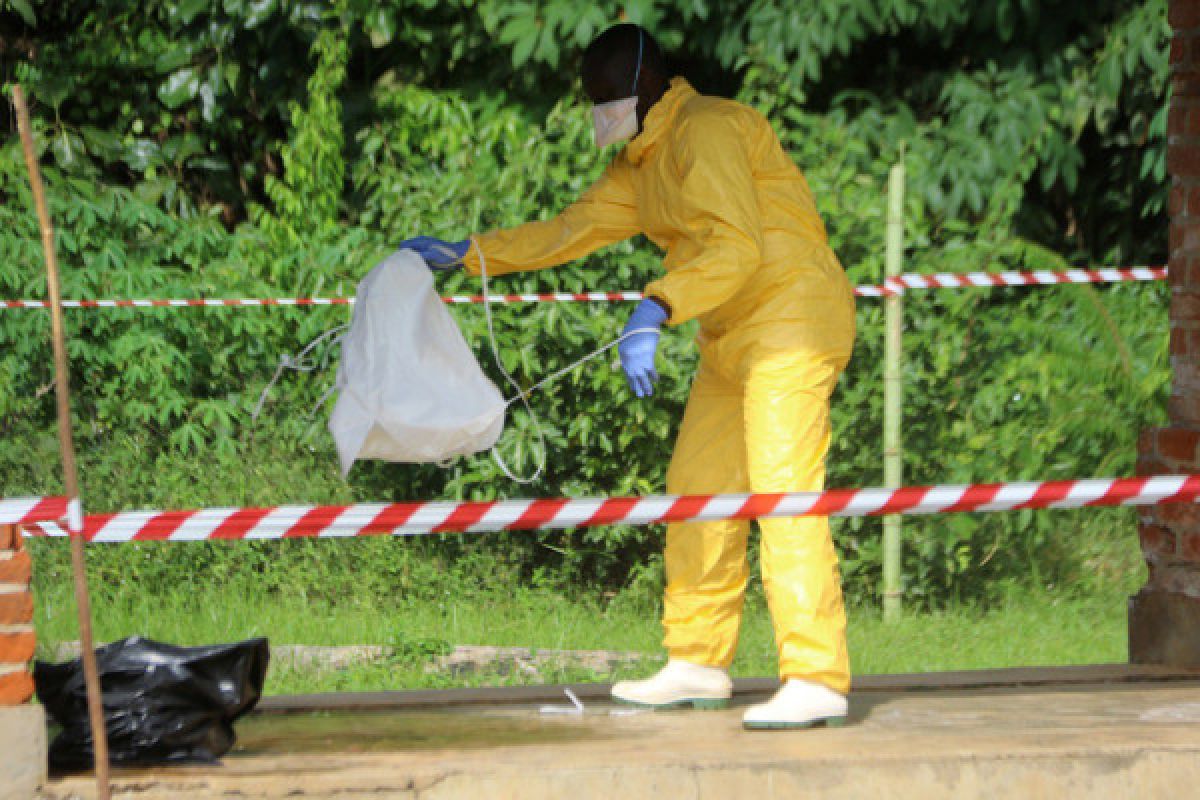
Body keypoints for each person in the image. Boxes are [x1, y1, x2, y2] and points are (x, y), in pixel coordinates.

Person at [401, 23, 856, 730]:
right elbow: (567, 231)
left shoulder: (707, 130)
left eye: (605, 95)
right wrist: (470, 254)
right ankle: (698, 661)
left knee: (783, 492)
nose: (598, 110)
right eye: (592, 99)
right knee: (698, 491)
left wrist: (656, 304)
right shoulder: (640, 169)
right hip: (730, 335)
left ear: (643, 84)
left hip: (792, 321)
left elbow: (738, 248)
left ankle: (816, 676)